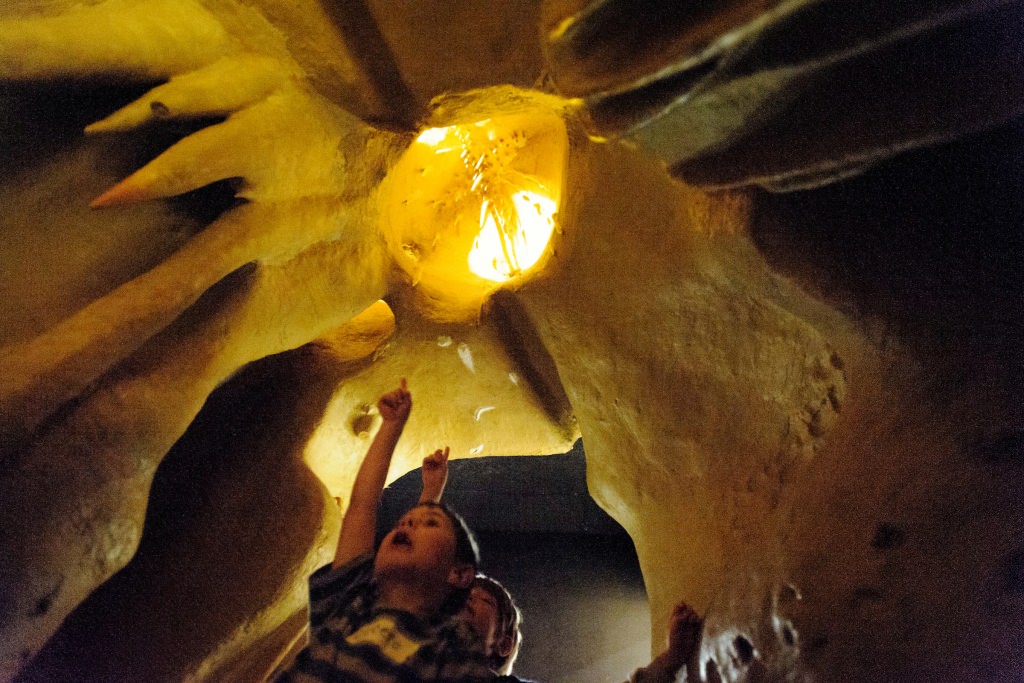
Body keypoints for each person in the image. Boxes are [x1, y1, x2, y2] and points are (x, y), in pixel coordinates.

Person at [418, 446, 705, 683]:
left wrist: (671, 659)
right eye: (464, 594)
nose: (468, 599)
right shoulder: (406, 659)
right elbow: (408, 580)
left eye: (484, 601)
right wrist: (430, 493)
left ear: (502, 645)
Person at [276, 380, 494, 682]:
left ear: (458, 573)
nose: (406, 524)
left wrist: (431, 497)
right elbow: (362, 506)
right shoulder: (351, 599)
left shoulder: (451, 642)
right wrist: (391, 426)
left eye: (430, 523)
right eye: (403, 522)